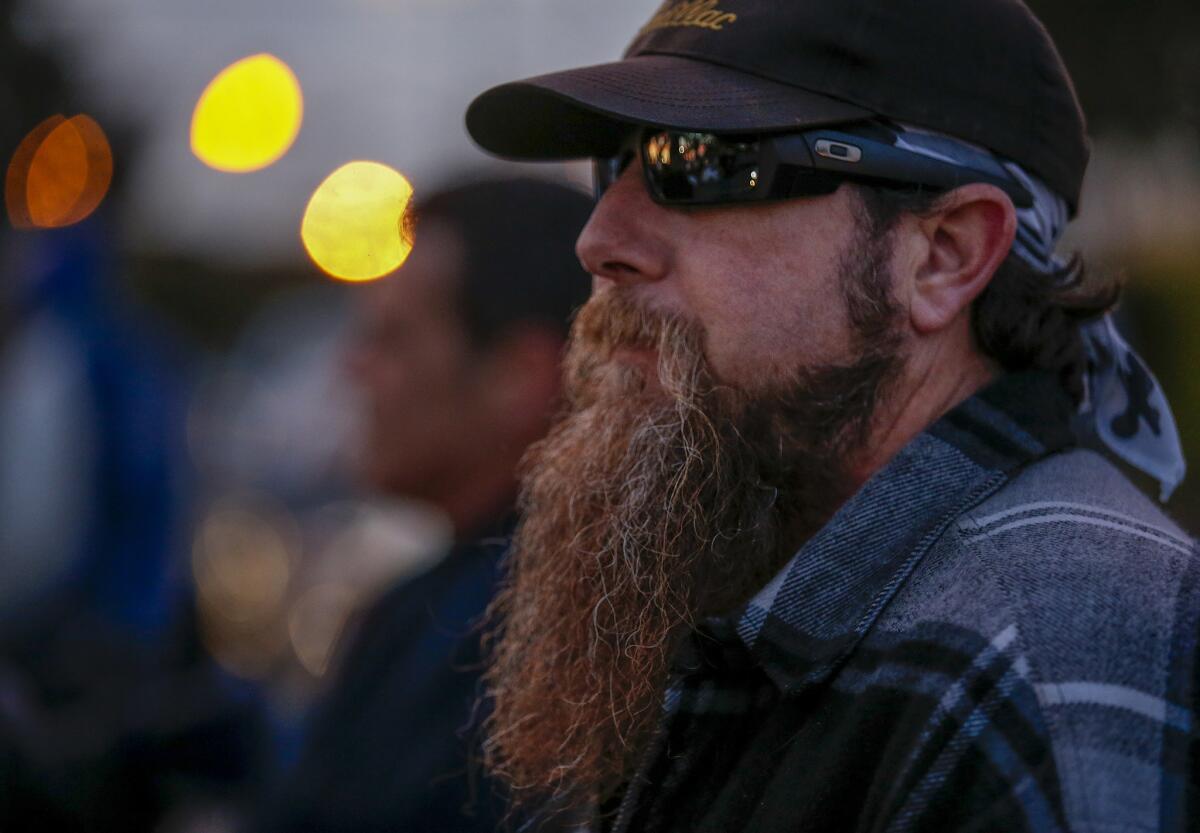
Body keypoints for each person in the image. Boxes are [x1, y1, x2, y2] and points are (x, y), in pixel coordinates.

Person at [462, 1, 1199, 830]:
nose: (599, 238)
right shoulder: (747, 568)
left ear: (943, 255)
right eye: (615, 164)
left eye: (699, 160)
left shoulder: (1041, 665)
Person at [257, 177, 593, 833]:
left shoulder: (515, 647)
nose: (353, 369)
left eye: (393, 339)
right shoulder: (458, 602)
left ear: (518, 375)